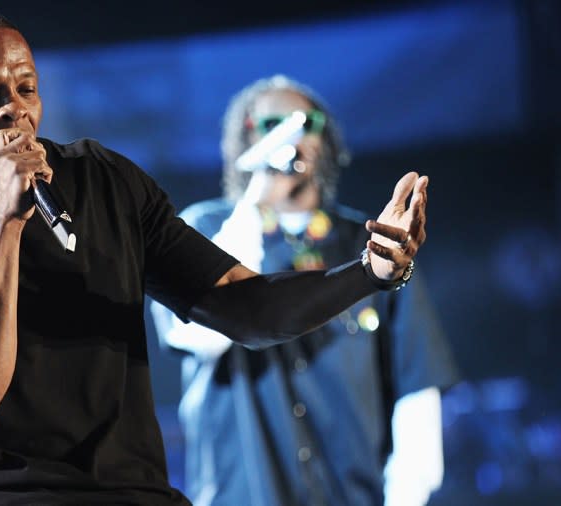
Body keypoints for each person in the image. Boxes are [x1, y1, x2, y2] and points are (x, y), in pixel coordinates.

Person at [0, 9, 431, 506]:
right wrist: (5, 221)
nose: (14, 109)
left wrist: (369, 274)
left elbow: (243, 308)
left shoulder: (101, 180)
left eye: (26, 87)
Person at [150, 75, 458, 506]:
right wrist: (258, 198)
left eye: (304, 122)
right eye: (273, 124)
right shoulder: (202, 230)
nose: (291, 136)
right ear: (246, 138)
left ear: (325, 137)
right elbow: (202, 337)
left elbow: (416, 385)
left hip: (349, 493)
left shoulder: (369, 243)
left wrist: (408, 493)